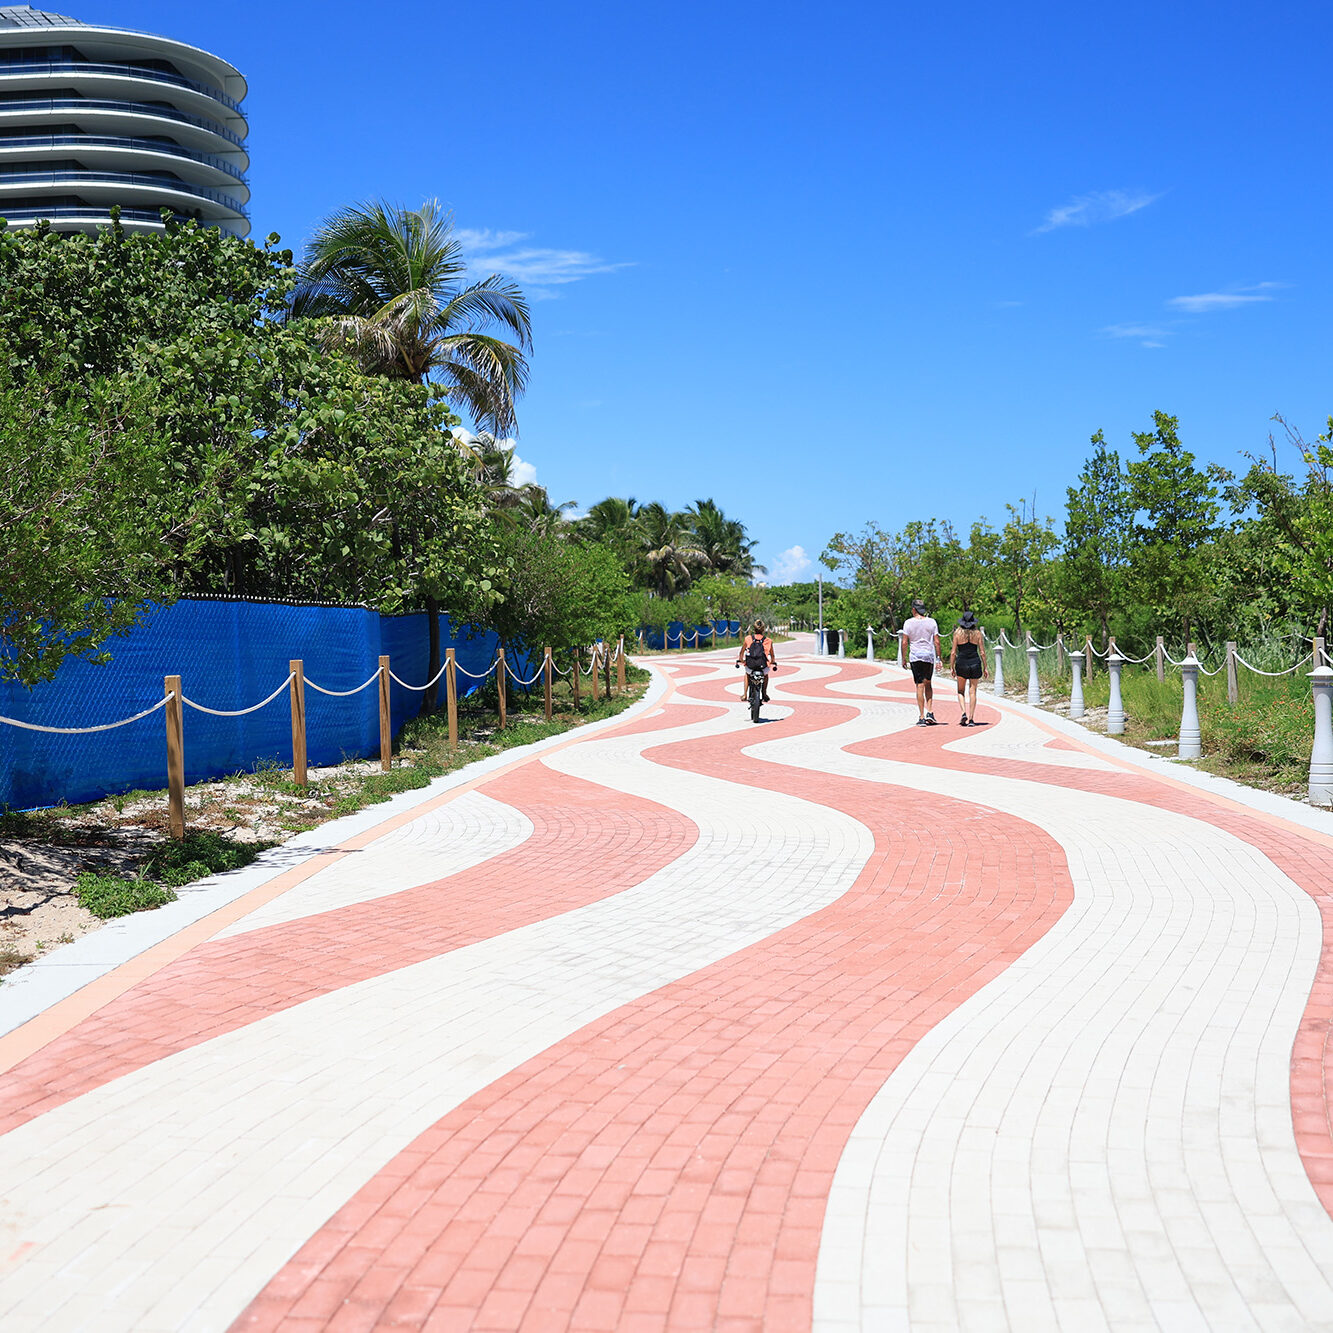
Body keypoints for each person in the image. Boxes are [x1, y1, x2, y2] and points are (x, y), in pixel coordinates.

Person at [899, 599, 941, 725]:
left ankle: (922, 716)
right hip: (929, 656)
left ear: (913, 610)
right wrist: (938, 658)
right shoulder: (932, 622)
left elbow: (905, 642)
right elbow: (937, 641)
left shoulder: (908, 623)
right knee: (928, 683)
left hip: (916, 656)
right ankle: (930, 711)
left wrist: (903, 657)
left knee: (919, 685)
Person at [949, 610, 988, 725]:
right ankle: (971, 718)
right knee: (973, 691)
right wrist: (985, 667)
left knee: (961, 691)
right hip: (975, 663)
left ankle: (963, 713)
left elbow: (953, 652)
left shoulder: (957, 633)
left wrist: (951, 666)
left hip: (961, 663)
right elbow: (982, 652)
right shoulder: (977, 634)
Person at [736, 619, 777, 702]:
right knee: (765, 675)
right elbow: (772, 655)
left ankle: (745, 694)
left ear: (753, 629)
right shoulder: (768, 641)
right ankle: (764, 693)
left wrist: (742, 660)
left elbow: (741, 652)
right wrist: (772, 662)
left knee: (747, 674)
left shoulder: (748, 638)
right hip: (763, 666)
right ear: (763, 629)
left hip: (750, 665)